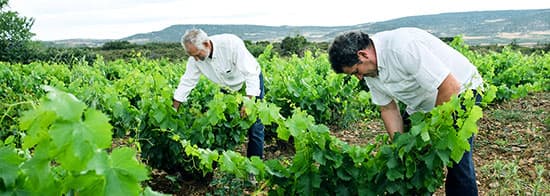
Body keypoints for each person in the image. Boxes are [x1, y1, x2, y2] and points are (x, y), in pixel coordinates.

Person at [327, 27, 483, 195]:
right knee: (411, 153)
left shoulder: (402, 48)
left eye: (356, 71)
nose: (359, 78)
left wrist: (432, 133)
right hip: (422, 103)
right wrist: (400, 148)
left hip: (462, 92)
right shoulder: (371, 71)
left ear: (363, 55)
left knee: (457, 160)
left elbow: (450, 86)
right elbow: (388, 108)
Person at [172, 28, 265, 160]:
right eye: (192, 56)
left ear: (206, 44)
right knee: (225, 123)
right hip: (227, 88)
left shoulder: (231, 44)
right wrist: (174, 108)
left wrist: (248, 101)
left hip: (249, 82)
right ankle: (227, 160)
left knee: (254, 125)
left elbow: (251, 74)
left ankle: (254, 165)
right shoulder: (195, 59)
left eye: (198, 55)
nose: (196, 60)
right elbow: (187, 82)